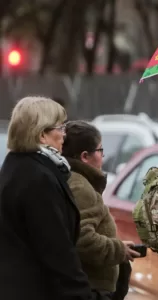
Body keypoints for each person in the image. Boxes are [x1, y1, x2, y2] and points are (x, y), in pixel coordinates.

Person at [0, 96, 94, 300]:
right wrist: (81, 294)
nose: (64, 136)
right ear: (42, 134)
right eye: (61, 128)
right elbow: (56, 249)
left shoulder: (14, 165)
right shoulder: (38, 178)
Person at [62, 121, 140, 300]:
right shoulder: (81, 187)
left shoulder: (72, 180)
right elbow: (82, 239)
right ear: (84, 156)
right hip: (92, 290)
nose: (103, 157)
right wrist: (119, 250)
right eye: (100, 151)